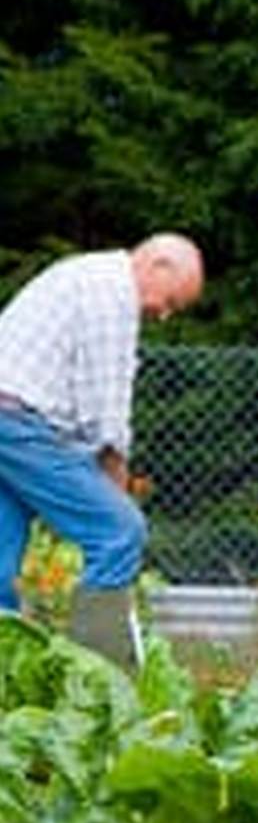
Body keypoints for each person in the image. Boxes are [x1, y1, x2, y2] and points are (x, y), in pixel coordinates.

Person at [0, 232, 204, 667]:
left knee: (0, 563)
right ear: (158, 266)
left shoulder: (87, 274)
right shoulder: (114, 296)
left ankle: (7, 685)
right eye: (170, 301)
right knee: (119, 531)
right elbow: (106, 420)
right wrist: (116, 495)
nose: (165, 315)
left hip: (11, 420)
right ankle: (98, 682)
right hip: (14, 422)